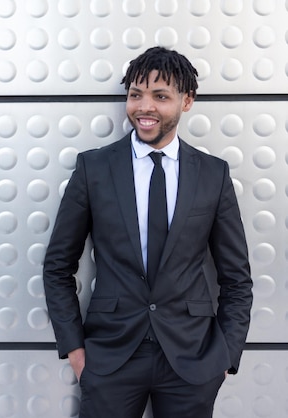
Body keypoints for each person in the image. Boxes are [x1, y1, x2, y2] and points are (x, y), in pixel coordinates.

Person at [43, 46, 253, 418]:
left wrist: (225, 356)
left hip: (193, 360)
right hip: (110, 358)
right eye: (135, 94)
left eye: (160, 96)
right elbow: (58, 266)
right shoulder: (94, 168)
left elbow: (237, 278)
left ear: (187, 101)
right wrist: (75, 351)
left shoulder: (212, 174)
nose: (144, 107)